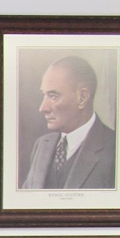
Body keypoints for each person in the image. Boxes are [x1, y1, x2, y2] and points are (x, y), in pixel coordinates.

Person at [21, 55, 118, 190]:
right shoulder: (42, 145)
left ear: (82, 98)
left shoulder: (114, 148)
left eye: (53, 96)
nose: (43, 108)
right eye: (44, 95)